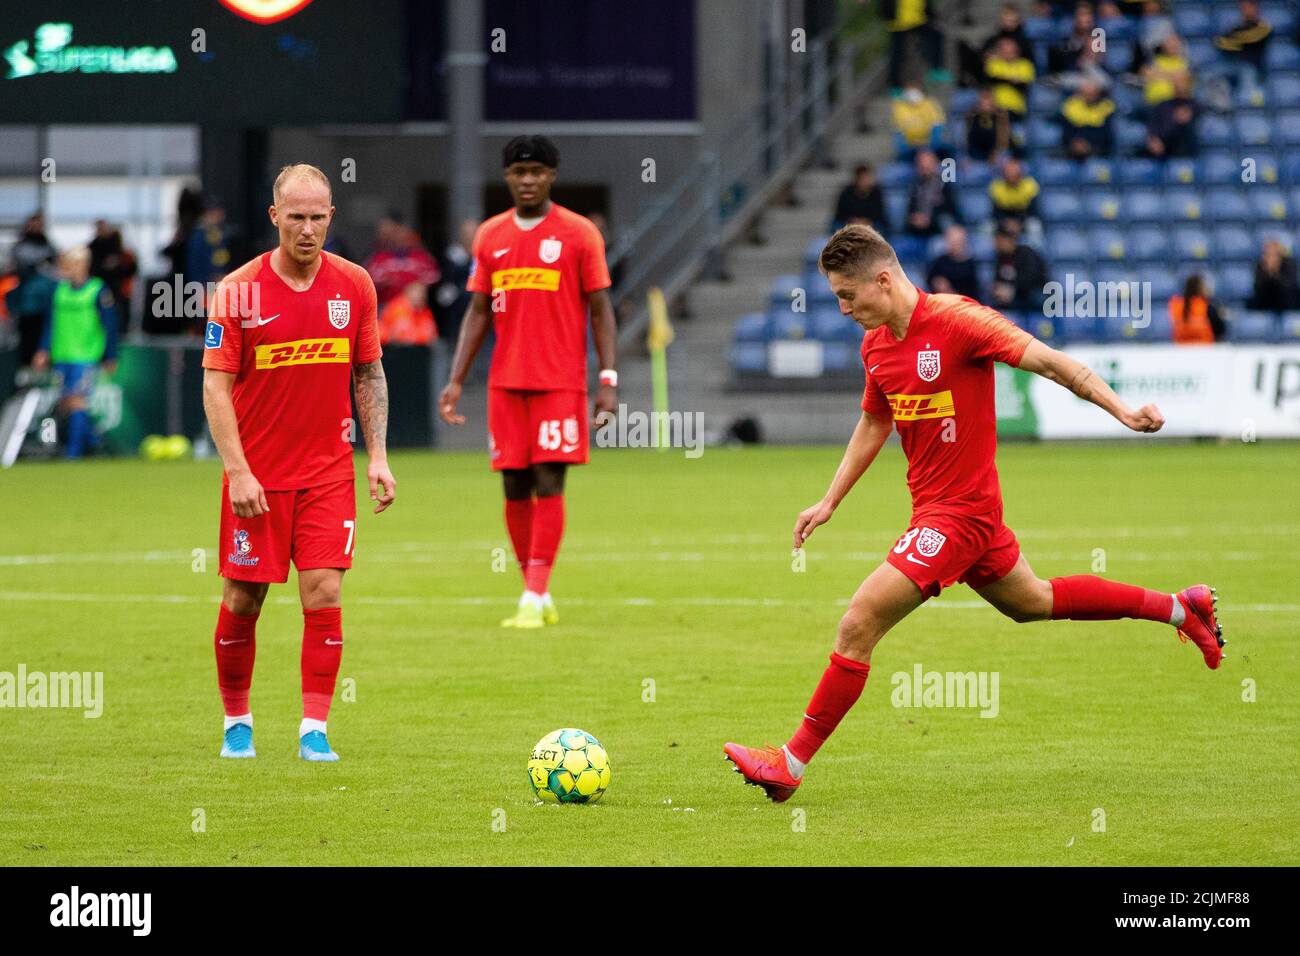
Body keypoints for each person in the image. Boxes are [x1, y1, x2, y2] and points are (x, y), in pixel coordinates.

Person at [723, 224, 1224, 802]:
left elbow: (1054, 364)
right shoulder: (877, 344)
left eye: (847, 295)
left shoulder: (960, 322)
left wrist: (1124, 412)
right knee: (1033, 602)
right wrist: (830, 499)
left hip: (959, 517)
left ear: (883, 280)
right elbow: (875, 420)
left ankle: (789, 763)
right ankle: (1181, 610)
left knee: (858, 623)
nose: (842, 309)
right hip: (940, 514)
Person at [200, 164, 396, 763]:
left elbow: (368, 373)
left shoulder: (355, 284)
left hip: (328, 473)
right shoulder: (236, 290)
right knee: (243, 601)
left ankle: (314, 728)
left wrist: (378, 458)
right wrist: (238, 472)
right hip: (257, 478)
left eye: (318, 217)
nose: (307, 229)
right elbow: (215, 387)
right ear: (274, 216)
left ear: (331, 217)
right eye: (296, 217)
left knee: (324, 591)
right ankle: (238, 720)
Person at [437, 136, 618, 630]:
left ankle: (534, 596)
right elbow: (477, 311)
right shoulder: (490, 236)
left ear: (552, 176)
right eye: (520, 172)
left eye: (538, 170)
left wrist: (608, 379)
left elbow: (601, 310)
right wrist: (455, 380)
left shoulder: (580, 234)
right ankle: (533, 590)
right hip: (505, 384)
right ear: (507, 178)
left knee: (548, 477)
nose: (529, 179)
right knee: (514, 484)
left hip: (560, 382)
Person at [31, 247, 118, 459]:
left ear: (83, 265)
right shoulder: (59, 290)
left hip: (86, 355)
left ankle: (74, 452)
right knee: (65, 403)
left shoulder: (97, 290)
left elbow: (110, 324)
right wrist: (43, 349)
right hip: (62, 354)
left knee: (77, 401)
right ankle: (94, 443)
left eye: (70, 264)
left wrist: (110, 355)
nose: (66, 269)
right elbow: (51, 323)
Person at [7, 213, 58, 367]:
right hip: (27, 303)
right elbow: (21, 263)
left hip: (46, 302)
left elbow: (54, 268)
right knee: (27, 339)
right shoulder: (20, 246)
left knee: (45, 336)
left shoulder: (49, 245)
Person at [365, 218, 440, 308]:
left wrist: (417, 285)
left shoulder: (422, 257)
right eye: (397, 234)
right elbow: (369, 279)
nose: (401, 238)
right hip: (386, 305)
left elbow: (433, 276)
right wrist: (387, 280)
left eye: (405, 234)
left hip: (414, 306)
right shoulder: (379, 257)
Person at [905, 149, 962, 238]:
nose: (924, 166)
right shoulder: (914, 186)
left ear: (935, 164)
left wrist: (929, 220)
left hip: (938, 233)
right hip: (915, 232)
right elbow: (909, 212)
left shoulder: (945, 185)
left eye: (927, 163)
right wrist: (914, 219)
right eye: (921, 164)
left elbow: (951, 213)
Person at [991, 225, 1047, 311]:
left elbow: (1032, 279)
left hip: (1035, 292)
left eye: (999, 240)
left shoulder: (1026, 253)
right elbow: (998, 279)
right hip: (1014, 297)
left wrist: (1013, 290)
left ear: (1009, 240)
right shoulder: (1000, 258)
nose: (996, 244)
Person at [1144, 73, 1198, 157]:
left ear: (1189, 83)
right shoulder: (1162, 105)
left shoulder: (1195, 106)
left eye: (1181, 81)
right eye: (1175, 81)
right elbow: (1153, 125)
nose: (1177, 84)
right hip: (1162, 152)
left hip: (1186, 152)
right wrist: (1153, 139)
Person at [1060, 78, 1116, 158]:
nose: (1090, 96)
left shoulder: (1107, 107)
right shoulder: (1070, 106)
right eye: (1086, 93)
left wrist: (1089, 144)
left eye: (1093, 93)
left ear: (1098, 93)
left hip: (1098, 150)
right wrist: (1075, 143)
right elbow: (1067, 131)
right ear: (1080, 93)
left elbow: (1107, 133)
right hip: (1074, 149)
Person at [984, 36, 1036, 118]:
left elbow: (1024, 84)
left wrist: (1004, 79)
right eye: (1005, 51)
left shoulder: (1025, 64)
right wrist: (1011, 80)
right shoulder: (994, 63)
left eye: (1012, 51)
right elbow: (992, 79)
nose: (1009, 53)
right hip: (996, 109)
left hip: (1018, 109)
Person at [892, 82, 947, 157]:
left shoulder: (930, 104)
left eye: (914, 89)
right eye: (909, 90)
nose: (911, 93)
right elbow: (898, 130)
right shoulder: (898, 107)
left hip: (929, 145)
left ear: (920, 90)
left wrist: (931, 146)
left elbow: (937, 125)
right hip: (910, 147)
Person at [926, 224, 981, 300]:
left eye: (955, 242)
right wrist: (937, 283)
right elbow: (930, 280)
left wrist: (949, 291)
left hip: (963, 305)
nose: (951, 244)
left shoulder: (971, 265)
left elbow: (973, 293)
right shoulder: (940, 260)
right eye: (949, 240)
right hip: (939, 302)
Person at [1168, 275, 1226, 343]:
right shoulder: (1207, 305)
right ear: (1200, 288)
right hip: (1204, 347)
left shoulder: (1176, 304)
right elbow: (1219, 330)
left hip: (1181, 346)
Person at [988, 156, 1040, 231]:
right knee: (988, 227)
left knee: (1034, 226)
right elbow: (996, 213)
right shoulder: (996, 186)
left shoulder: (1030, 185)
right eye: (1008, 172)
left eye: (1014, 171)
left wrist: (1019, 223)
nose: (1011, 174)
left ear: (1021, 173)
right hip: (1003, 220)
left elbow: (1033, 211)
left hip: (1024, 219)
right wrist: (1006, 223)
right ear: (1003, 174)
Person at [831, 164, 888, 232]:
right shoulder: (846, 192)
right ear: (857, 179)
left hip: (872, 224)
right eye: (864, 178)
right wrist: (852, 221)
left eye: (869, 177)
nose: (868, 180)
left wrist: (867, 222)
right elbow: (840, 214)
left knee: (881, 229)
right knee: (837, 228)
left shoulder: (877, 192)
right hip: (848, 223)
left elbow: (881, 215)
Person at [379, 280, 437, 345]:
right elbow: (402, 336)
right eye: (416, 293)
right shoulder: (397, 308)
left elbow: (432, 334)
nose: (419, 296)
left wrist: (421, 335)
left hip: (416, 348)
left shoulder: (424, 310)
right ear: (407, 294)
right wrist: (421, 335)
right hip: (392, 347)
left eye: (422, 294)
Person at [1248, 240, 1298, 312]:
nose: (1268, 256)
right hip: (1266, 301)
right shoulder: (1260, 265)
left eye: (1272, 253)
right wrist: (1268, 271)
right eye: (1266, 253)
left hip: (1286, 301)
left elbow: (1289, 286)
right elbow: (1257, 288)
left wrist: (1274, 272)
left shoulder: (1290, 264)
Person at [965, 86, 1012, 161]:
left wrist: (995, 153)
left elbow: (1004, 140)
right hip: (976, 151)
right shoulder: (973, 114)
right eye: (983, 98)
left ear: (993, 100)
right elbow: (967, 137)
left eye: (987, 98)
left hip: (996, 152)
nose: (985, 102)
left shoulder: (1001, 115)